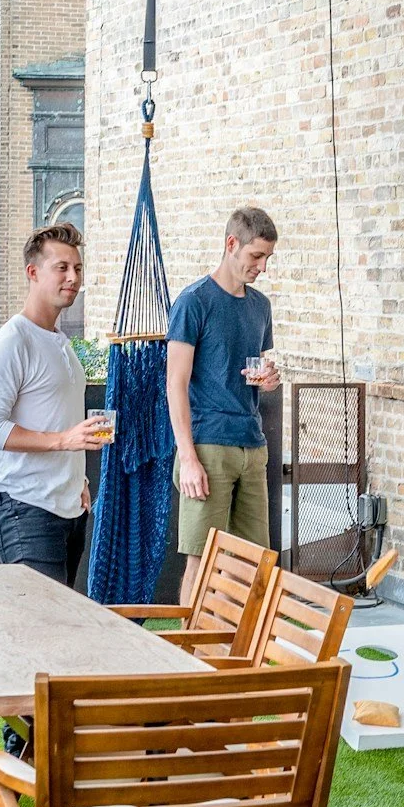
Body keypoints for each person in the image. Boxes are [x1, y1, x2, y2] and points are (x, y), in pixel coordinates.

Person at [0, 222, 98, 585]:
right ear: (33, 272)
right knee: (40, 631)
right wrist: (63, 441)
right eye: (61, 268)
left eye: (77, 268)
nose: (73, 277)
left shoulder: (61, 343)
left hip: (69, 508)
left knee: (58, 632)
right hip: (25, 510)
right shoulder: (12, 342)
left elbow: (56, 414)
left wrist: (79, 477)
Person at [168, 207, 282, 599]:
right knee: (201, 561)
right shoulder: (193, 302)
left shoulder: (260, 306)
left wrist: (269, 379)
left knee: (252, 564)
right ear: (231, 244)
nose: (262, 267)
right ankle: (193, 655)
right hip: (207, 446)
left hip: (252, 445)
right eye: (256, 256)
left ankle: (236, 655)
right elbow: (175, 384)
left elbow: (254, 373)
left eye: (267, 258)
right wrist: (187, 458)